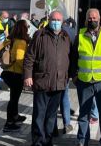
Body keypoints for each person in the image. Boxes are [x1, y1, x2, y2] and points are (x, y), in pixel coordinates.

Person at [70, 8, 101, 146]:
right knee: (83, 115)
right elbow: (73, 57)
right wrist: (74, 76)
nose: (92, 20)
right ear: (86, 19)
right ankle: (82, 141)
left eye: (94, 18)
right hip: (84, 81)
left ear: (99, 18)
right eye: (89, 18)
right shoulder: (79, 34)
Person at [24, 11, 71, 145]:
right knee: (39, 115)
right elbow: (29, 57)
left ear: (62, 22)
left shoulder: (65, 37)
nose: (55, 22)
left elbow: (70, 58)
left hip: (59, 83)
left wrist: (69, 75)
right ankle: (38, 141)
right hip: (42, 81)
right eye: (53, 19)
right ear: (48, 20)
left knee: (51, 116)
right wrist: (28, 75)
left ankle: (48, 140)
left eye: (58, 20)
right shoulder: (40, 35)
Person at [1, 20, 29, 132]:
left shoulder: (13, 39)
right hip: (16, 74)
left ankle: (15, 116)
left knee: (14, 97)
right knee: (13, 99)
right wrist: (27, 73)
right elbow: (19, 59)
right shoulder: (21, 41)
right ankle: (9, 122)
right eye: (27, 27)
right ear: (23, 28)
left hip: (11, 72)